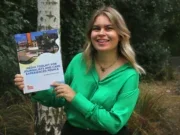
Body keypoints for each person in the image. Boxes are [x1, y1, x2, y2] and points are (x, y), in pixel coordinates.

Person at [14, 6, 145, 135]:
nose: (101, 33)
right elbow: (59, 98)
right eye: (96, 28)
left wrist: (76, 98)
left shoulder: (129, 75)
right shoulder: (79, 61)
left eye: (109, 28)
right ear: (90, 34)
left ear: (121, 35)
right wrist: (35, 87)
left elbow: (114, 123)